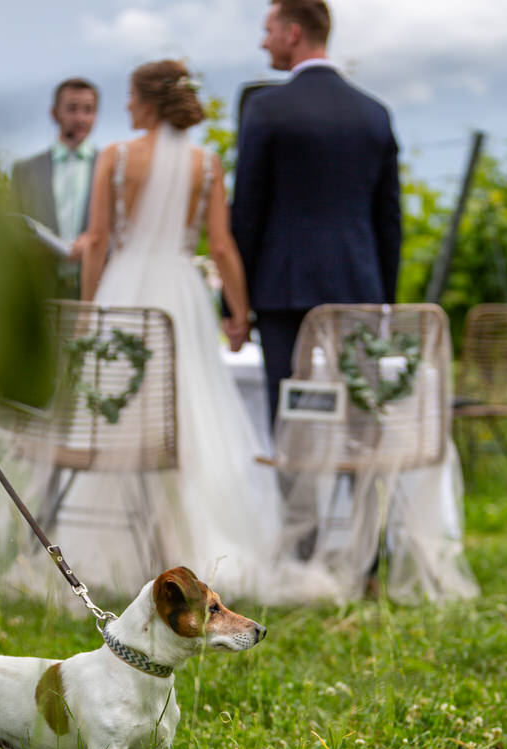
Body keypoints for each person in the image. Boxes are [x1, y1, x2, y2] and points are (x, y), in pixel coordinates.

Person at [76, 59, 337, 602]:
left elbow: (96, 240)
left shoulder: (115, 157)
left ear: (147, 101)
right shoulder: (207, 164)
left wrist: (88, 311)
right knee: (189, 421)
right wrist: (239, 313)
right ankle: (185, 542)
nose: (125, 106)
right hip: (181, 299)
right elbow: (221, 247)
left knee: (117, 416)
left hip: (125, 296)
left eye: (129, 95)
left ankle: (112, 547)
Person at [230, 0, 401, 427]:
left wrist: (233, 303)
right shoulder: (375, 114)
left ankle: (296, 495)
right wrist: (385, 300)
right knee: (360, 410)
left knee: (290, 416)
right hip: (359, 288)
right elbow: (389, 222)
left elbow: (247, 213)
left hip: (282, 288)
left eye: (268, 29)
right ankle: (359, 491)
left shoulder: (266, 109)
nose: (262, 40)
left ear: (293, 33)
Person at [11, 77, 99, 298]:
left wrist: (94, 242)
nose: (80, 118)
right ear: (54, 113)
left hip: (95, 289)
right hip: (40, 291)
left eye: (88, 110)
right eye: (72, 109)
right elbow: (13, 226)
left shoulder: (111, 166)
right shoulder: (25, 170)